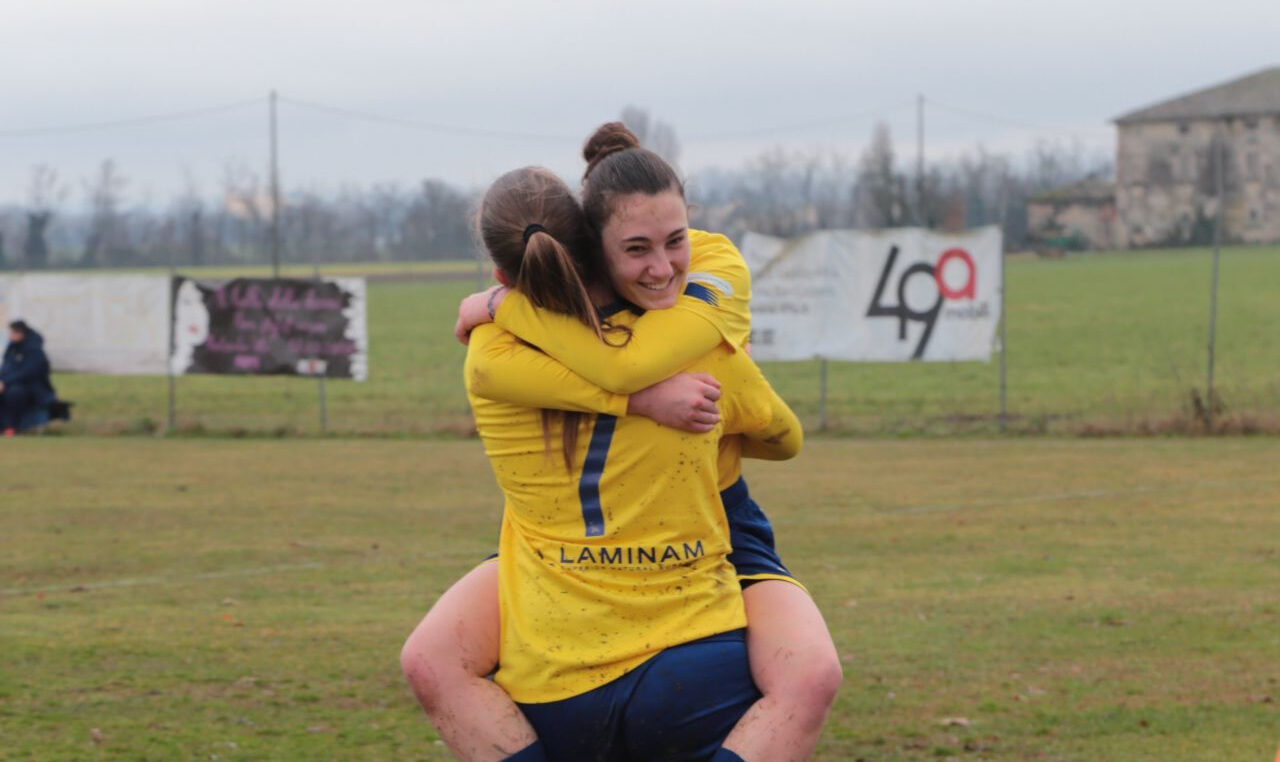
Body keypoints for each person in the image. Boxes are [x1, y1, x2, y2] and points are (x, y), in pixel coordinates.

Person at [402, 124, 841, 761]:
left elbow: (622, 366)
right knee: (809, 673)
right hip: (627, 546)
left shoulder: (497, 350)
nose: (662, 267)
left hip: (650, 538)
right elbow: (774, 432)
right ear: (592, 249)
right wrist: (659, 403)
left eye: (675, 241)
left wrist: (501, 305)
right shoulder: (702, 351)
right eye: (637, 249)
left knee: (430, 657)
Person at [0, 320, 57, 436]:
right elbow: (6, 369)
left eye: (13, 333)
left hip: (33, 388)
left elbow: (29, 373)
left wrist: (5, 382)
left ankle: (11, 427)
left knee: (14, 394)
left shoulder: (35, 351)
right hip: (10, 384)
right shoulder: (12, 349)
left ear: (21, 334)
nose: (10, 336)